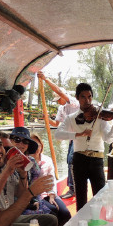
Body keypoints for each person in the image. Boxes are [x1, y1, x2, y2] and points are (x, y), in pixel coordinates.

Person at [55, 83, 113, 211]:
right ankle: (81, 225)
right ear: (77, 98)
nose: (87, 101)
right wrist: (78, 134)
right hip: (79, 159)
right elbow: (58, 134)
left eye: (90, 97)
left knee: (101, 195)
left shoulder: (100, 117)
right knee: (81, 197)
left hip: (97, 160)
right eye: (83, 97)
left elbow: (108, 139)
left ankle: (101, 225)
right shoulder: (72, 118)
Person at [0, 127, 58, 226]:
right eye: (17, 140)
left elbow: (22, 194)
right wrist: (8, 169)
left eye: (25, 141)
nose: (21, 144)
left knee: (53, 217)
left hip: (20, 206)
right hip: (6, 214)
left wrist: (23, 175)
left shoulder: (27, 164)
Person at [38, 71, 79, 199]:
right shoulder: (61, 108)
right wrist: (46, 118)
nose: (58, 102)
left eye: (59, 99)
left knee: (72, 160)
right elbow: (56, 124)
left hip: (80, 136)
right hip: (71, 138)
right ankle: (72, 186)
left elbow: (61, 92)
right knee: (69, 160)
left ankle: (74, 188)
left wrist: (45, 79)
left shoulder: (72, 102)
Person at [29, 133, 72, 226]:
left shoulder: (47, 160)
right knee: (52, 211)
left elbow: (51, 180)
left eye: (38, 145)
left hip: (48, 193)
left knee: (65, 214)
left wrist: (52, 196)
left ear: (41, 146)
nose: (36, 148)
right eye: (33, 145)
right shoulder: (26, 162)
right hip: (33, 196)